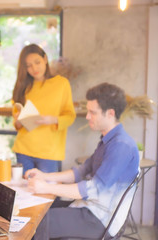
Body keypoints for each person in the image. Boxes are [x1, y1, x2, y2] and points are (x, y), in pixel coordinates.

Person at [26, 82, 140, 239]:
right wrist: (45, 176)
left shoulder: (121, 146)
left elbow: (92, 189)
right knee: (40, 208)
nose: (87, 117)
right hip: (90, 208)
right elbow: (80, 172)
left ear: (110, 113)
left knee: (38, 221)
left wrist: (45, 187)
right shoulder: (108, 140)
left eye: (92, 112)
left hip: (100, 219)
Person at [12, 44, 76, 174]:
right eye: (28, 66)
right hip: (23, 149)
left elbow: (70, 116)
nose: (34, 68)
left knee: (47, 192)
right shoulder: (22, 87)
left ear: (45, 59)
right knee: (24, 193)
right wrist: (19, 120)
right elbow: (17, 125)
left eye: (37, 62)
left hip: (49, 152)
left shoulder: (61, 84)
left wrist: (53, 119)